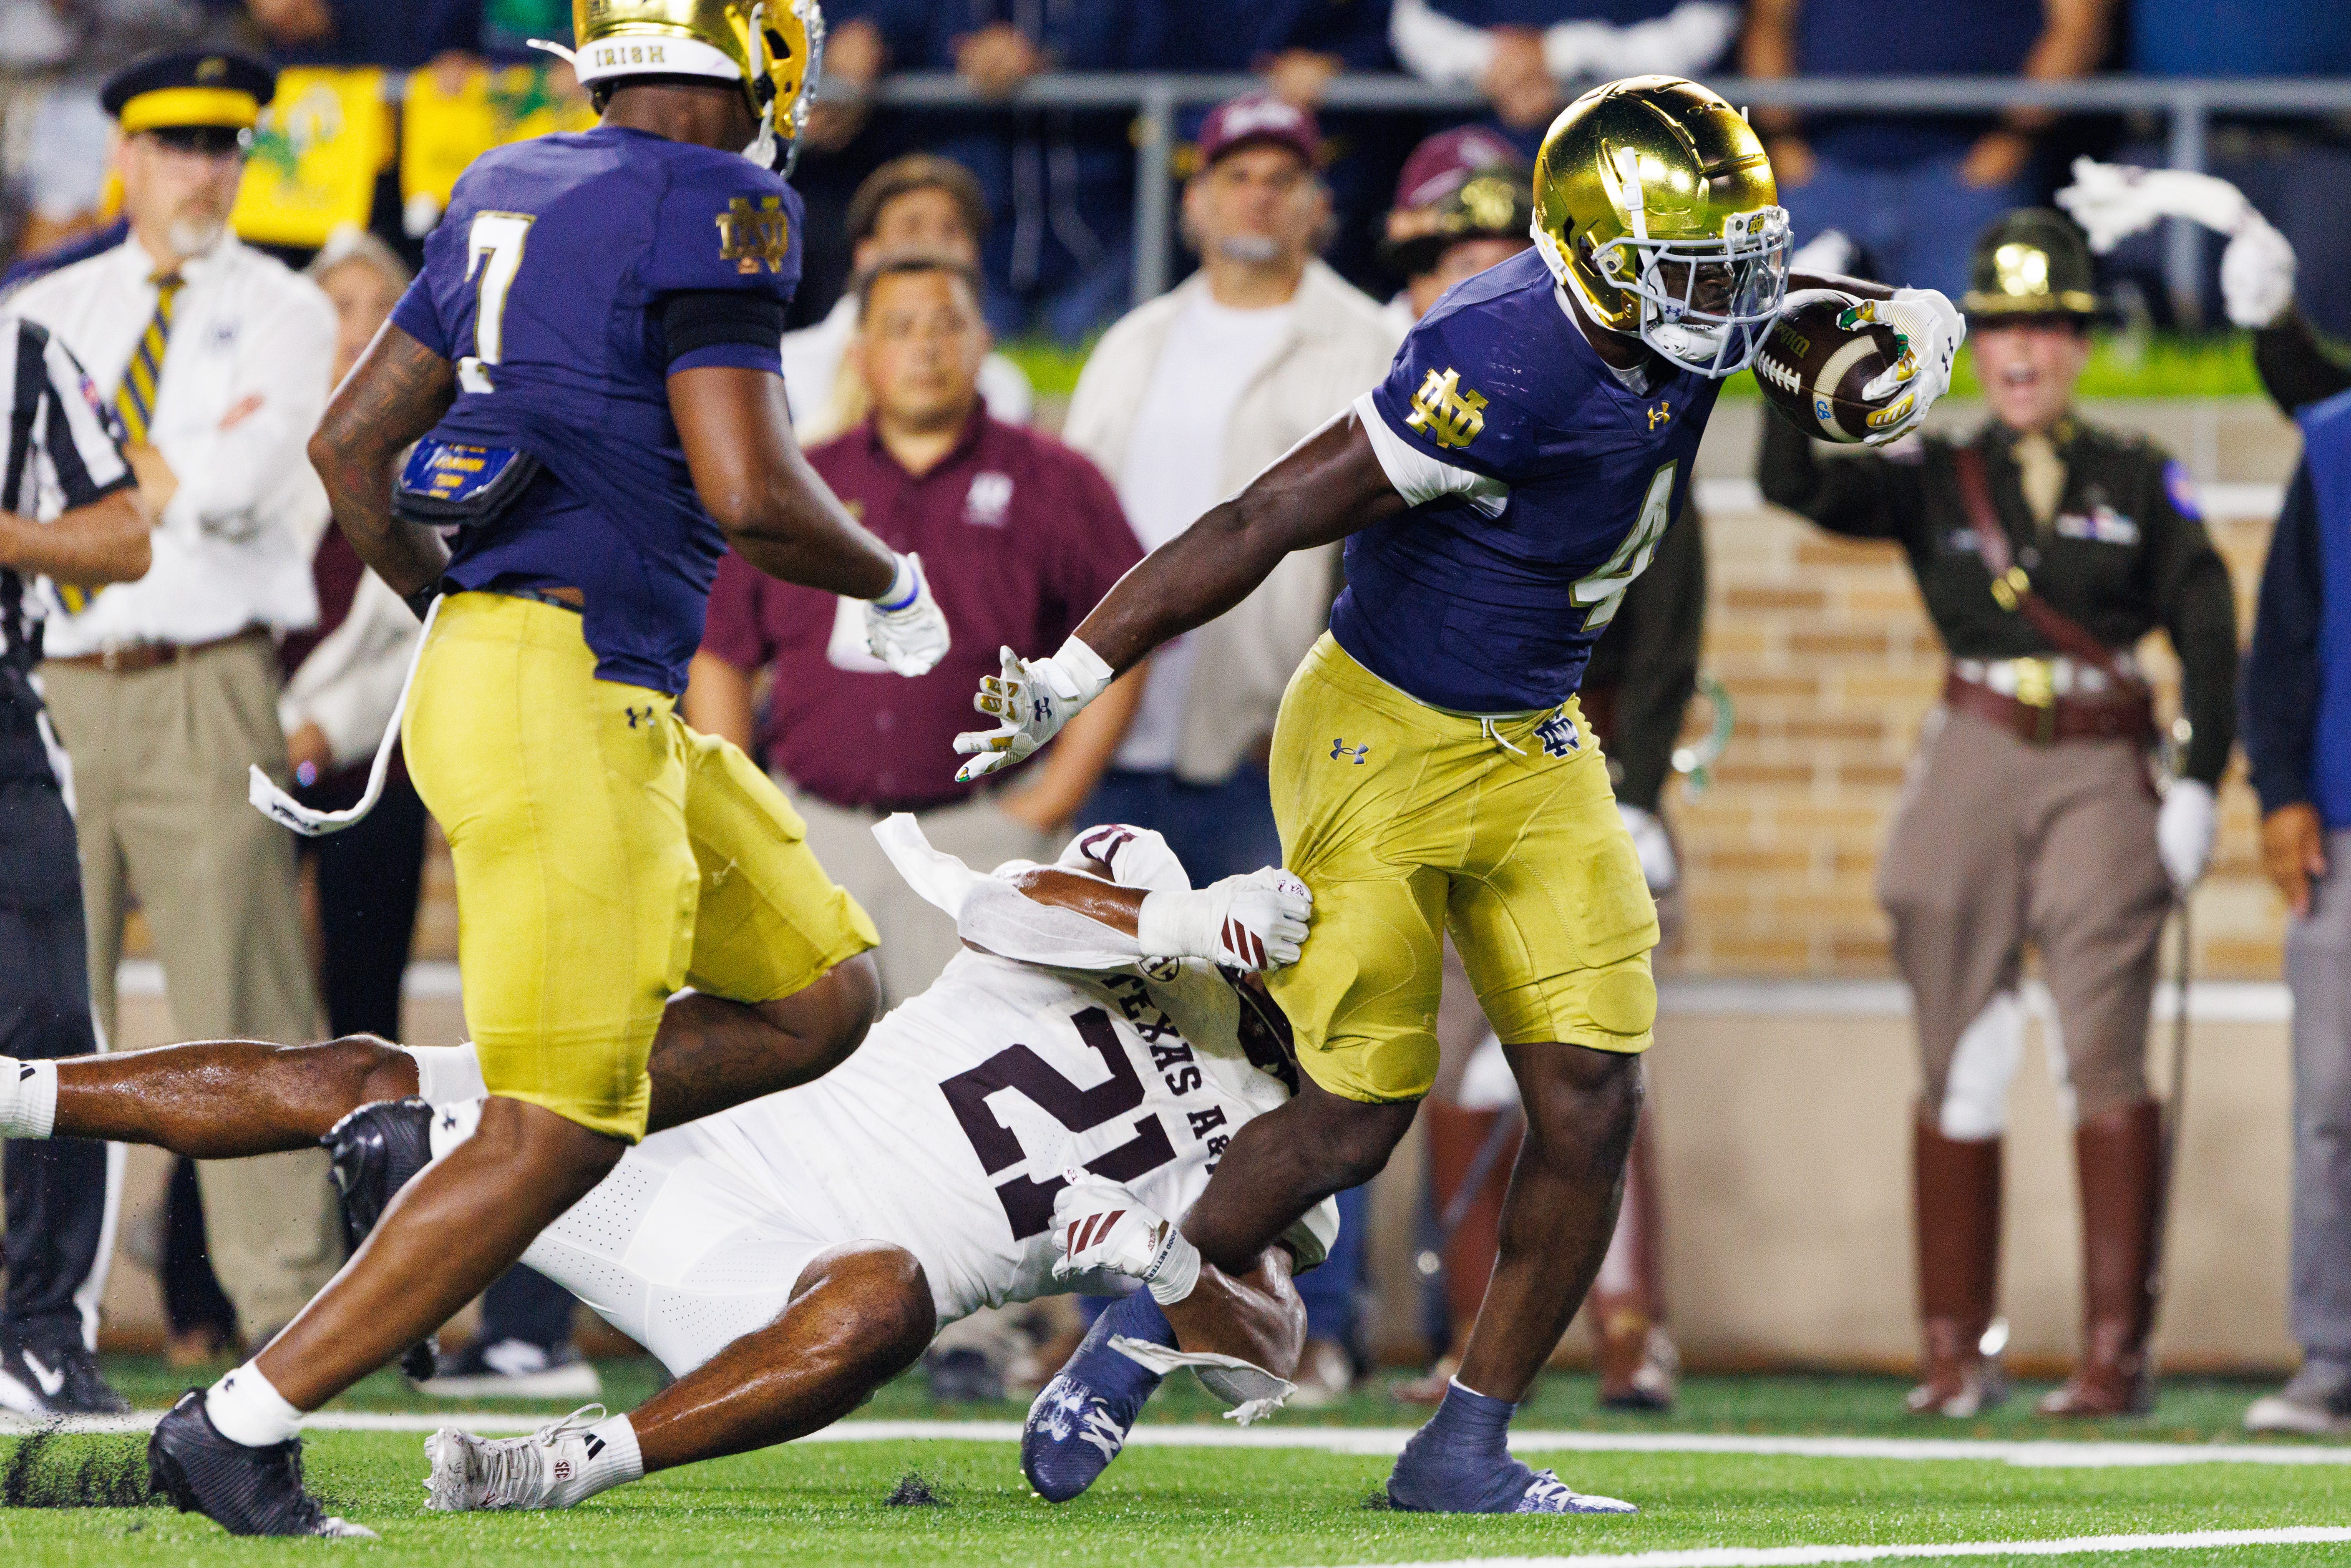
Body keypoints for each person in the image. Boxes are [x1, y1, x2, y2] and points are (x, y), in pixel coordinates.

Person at [956, 76, 1964, 1512]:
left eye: (1733, 261)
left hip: (1536, 735)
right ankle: (1127, 1333)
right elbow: (1262, 516)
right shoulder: (1496, 354)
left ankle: (1462, 1439)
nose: (1729, 299)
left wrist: (1896, 318)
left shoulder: (1671, 301)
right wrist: (1075, 662)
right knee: (1355, 1114)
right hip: (1378, 728)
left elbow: (1776, 304)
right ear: (1600, 260)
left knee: (1591, 1092)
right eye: (1698, 268)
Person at [134, 3, 957, 1537]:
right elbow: (753, 490)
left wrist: (459, 617)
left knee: (817, 993)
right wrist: (889, 578)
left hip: (557, 678)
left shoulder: (510, 177)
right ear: (754, 48)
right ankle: (235, 1425)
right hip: (572, 691)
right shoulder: (727, 199)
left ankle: (436, 1139)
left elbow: (349, 452)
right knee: (555, 1133)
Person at [0, 819, 1326, 1506]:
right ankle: (19, 1095)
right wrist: (1184, 919)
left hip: (754, 1279)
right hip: (704, 1119)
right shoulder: (1154, 899)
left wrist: (1159, 1251)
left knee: (883, 1301)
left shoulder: (1304, 1124)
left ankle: (565, 1456)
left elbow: (1264, 1333)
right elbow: (1002, 904)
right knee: (366, 1072)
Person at [1759, 209, 2237, 1420]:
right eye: (2006, 325)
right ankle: (1952, 1350)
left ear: (2079, 342)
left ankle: (2112, 1351)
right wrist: (1799, 337)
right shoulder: (1935, 473)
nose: (2024, 348)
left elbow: (2209, 624)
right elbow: (1793, 480)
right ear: (1980, 345)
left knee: (2101, 1049)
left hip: (2093, 758)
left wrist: (2196, 783)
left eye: (2048, 325)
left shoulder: (2137, 474)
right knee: (1959, 1049)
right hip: (1972, 745)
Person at [10, 49, 346, 1352]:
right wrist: (129, 486)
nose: (205, 168)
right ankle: (42, 1309)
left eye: (226, 143)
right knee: (39, 1013)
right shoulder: (49, 302)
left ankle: (297, 1315)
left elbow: (238, 482)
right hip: (51, 684)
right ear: (127, 158)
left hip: (206, 676)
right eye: (179, 143)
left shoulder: (290, 308)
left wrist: (101, 488)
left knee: (244, 1001)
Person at [1375, 122, 1697, 1412]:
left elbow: (1670, 614)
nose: (1468, 273)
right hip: (1415, 761)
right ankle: (1471, 1332)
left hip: (1575, 755)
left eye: (1489, 250)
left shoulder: (1634, 380)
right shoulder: (1409, 384)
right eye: (1443, 253)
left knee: (1591, 1051)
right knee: (1435, 1060)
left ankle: (1629, 1323)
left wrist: (1650, 786)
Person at [691, 254, 1145, 1014]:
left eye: (947, 325)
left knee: (978, 1086)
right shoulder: (798, 483)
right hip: (816, 837)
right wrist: (749, 806)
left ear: (983, 344)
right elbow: (722, 648)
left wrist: (1054, 795)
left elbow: (1127, 639)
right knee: (811, 1088)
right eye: (900, 328)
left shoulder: (1057, 481)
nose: (926, 347)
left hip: (979, 834)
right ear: (859, 354)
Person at [1059, 92, 1403, 891]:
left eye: (1282, 177)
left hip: (1264, 754)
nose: (1258, 193)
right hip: (1106, 746)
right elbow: (1071, 535)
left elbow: (1392, 560)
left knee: (1266, 1005)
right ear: (1195, 198)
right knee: (1096, 1007)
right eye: (1237, 174)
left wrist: (1318, 724)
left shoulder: (1372, 350)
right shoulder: (1132, 342)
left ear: (1318, 204)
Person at [0, 311, 153, 1414]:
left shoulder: (23, 353)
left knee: (53, 1022)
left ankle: (43, 1332)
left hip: (4, 717)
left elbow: (123, 534)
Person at [2237, 382, 2351, 1435]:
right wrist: (2279, 792)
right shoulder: (2332, 446)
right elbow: (2281, 637)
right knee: (2330, 1106)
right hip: (2345, 825)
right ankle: (2331, 1364)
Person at [1739, 0, 2113, 302]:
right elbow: (1770, 18)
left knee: (1973, 366)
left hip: (1970, 184)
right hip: (1820, 177)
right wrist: (1784, 143)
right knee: (1786, 360)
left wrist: (2007, 148)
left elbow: (2079, 24)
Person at [779, 154, 1034, 443]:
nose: (934, 247)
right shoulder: (786, 369)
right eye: (912, 228)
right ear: (866, 255)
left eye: (952, 230)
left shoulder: (1005, 388)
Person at [1389, 0, 1737, 143]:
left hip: (1632, 142)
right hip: (1480, 139)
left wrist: (1561, 54)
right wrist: (1491, 59)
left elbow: (1705, 24)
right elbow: (1411, 19)